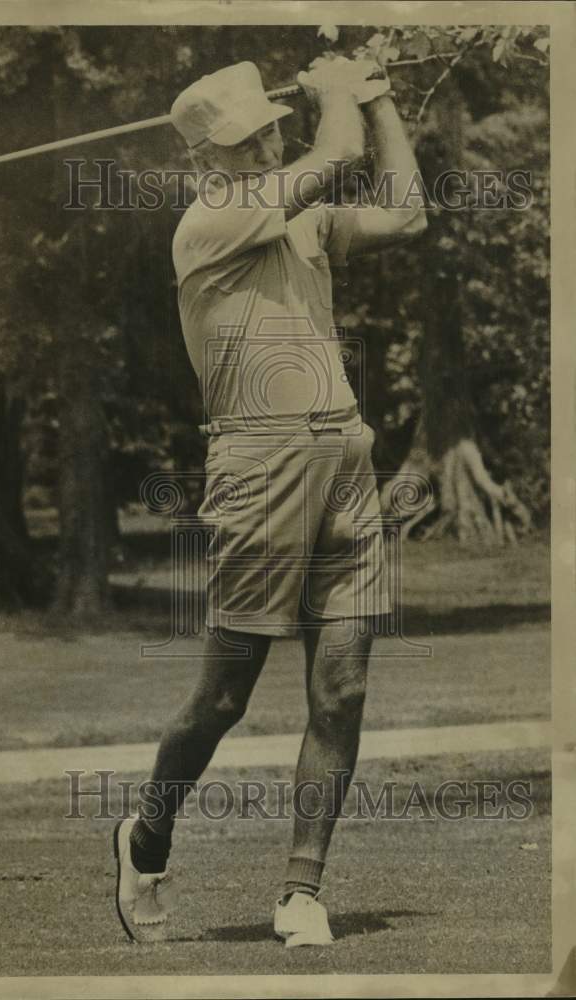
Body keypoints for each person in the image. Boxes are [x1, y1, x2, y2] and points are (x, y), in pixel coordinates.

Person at [113, 56, 426, 948]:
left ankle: (301, 889)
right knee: (225, 696)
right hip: (258, 463)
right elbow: (331, 154)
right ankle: (146, 837)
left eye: (268, 128)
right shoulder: (211, 218)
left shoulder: (301, 215)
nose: (267, 141)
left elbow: (406, 210)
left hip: (345, 453)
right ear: (208, 158)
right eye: (247, 137)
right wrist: (339, 97)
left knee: (344, 685)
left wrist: (380, 97)